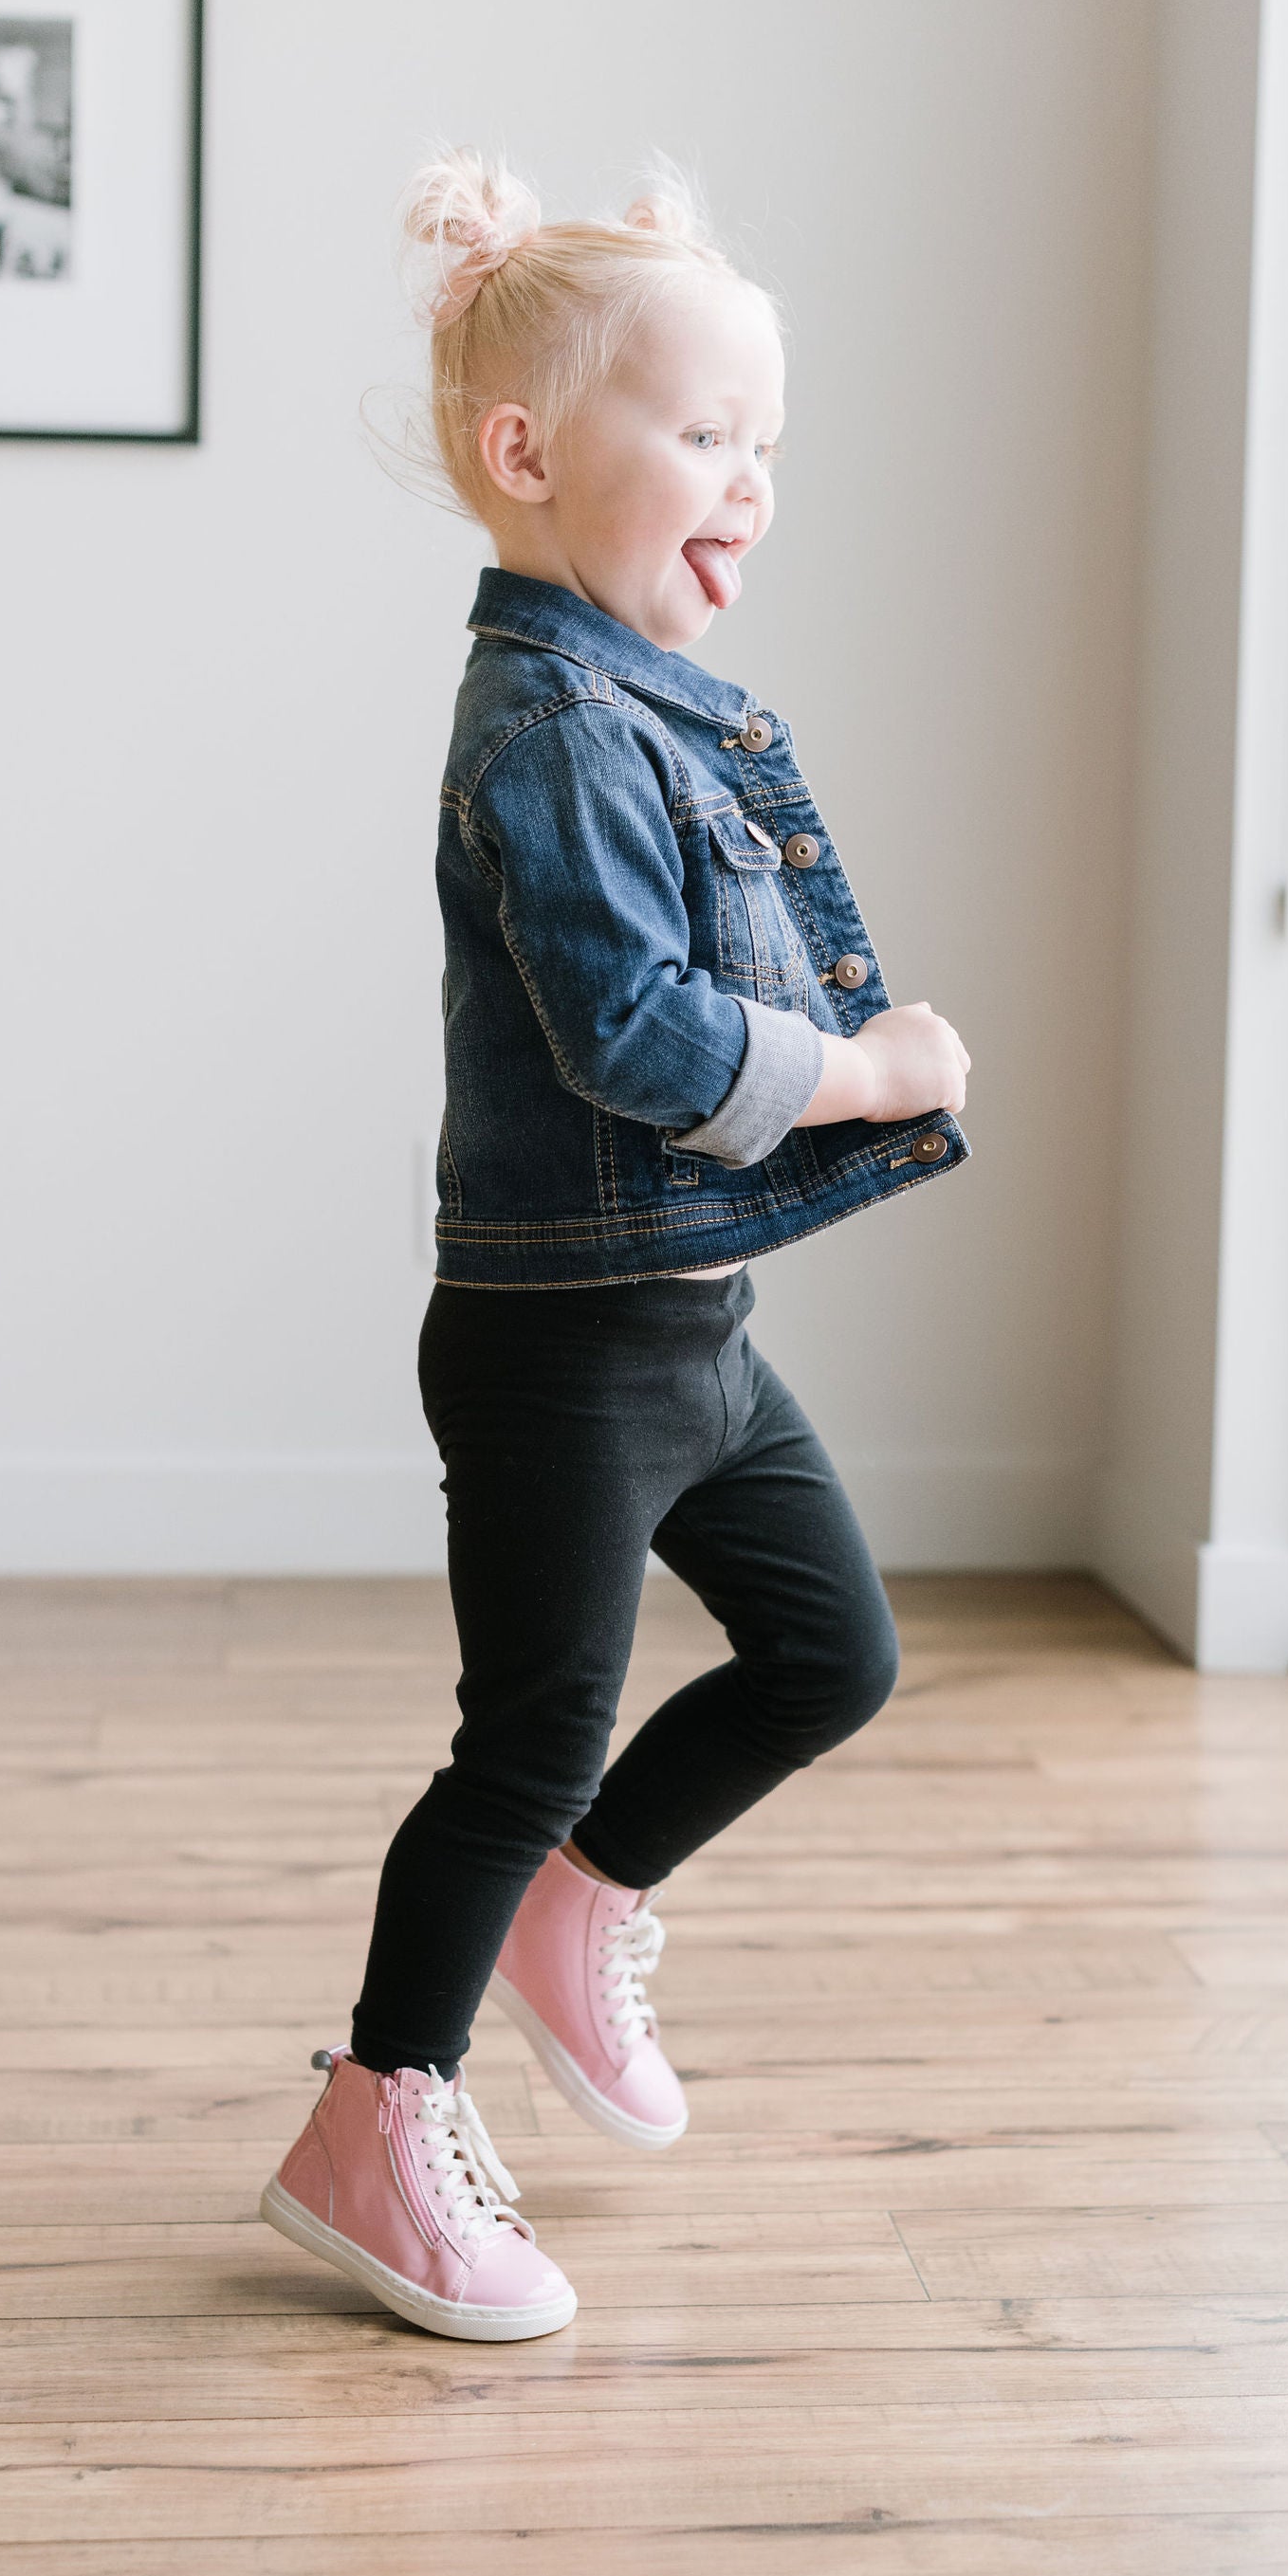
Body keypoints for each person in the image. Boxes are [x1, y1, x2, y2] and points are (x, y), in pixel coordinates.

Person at [260, 152, 972, 2342]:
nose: (749, 481)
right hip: (564, 1349)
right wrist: (864, 1067)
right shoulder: (556, 723)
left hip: (685, 1327)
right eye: (704, 435)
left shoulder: (645, 703)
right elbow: (644, 1038)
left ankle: (588, 1909)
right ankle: (374, 2120)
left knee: (828, 1655)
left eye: (766, 444)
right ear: (528, 453)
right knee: (526, 1740)